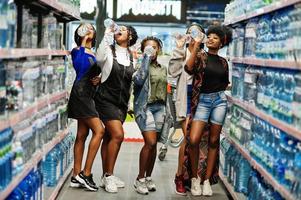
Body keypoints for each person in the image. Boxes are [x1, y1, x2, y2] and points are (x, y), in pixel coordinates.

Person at [184, 25, 232, 196]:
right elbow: (188, 68)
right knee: (194, 139)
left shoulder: (223, 62)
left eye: (215, 37)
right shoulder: (201, 56)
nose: (211, 39)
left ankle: (206, 180)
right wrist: (196, 45)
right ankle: (195, 178)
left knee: (213, 141)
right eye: (209, 36)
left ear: (221, 42)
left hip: (220, 101)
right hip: (203, 102)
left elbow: (225, 83)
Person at [94, 22, 138, 193]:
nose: (120, 31)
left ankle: (106, 176)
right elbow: (99, 59)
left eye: (124, 30)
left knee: (109, 138)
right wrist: (107, 33)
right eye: (119, 29)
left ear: (130, 36)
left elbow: (132, 82)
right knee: (118, 135)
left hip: (122, 103)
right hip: (105, 99)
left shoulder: (132, 56)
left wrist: (131, 104)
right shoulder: (109, 50)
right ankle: (110, 175)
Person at [168, 23, 205, 196]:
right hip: (185, 99)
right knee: (189, 139)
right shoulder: (182, 52)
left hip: (202, 101)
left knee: (194, 141)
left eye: (197, 32)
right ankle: (180, 177)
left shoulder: (204, 55)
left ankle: (191, 176)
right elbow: (173, 73)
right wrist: (179, 48)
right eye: (190, 31)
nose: (193, 34)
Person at [67, 23, 105, 192]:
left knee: (82, 134)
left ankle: (76, 176)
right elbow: (80, 66)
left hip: (89, 94)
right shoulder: (77, 50)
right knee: (100, 130)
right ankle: (86, 173)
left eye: (91, 27)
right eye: (84, 27)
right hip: (81, 94)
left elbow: (91, 72)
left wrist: (98, 78)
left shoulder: (94, 53)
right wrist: (83, 41)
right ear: (79, 32)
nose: (89, 29)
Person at [132, 36, 166, 195]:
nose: (152, 50)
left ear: (159, 49)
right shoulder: (139, 65)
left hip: (160, 108)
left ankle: (148, 177)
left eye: (154, 47)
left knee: (154, 145)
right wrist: (145, 57)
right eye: (148, 47)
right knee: (150, 142)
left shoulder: (162, 67)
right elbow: (138, 81)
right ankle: (139, 179)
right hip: (144, 108)